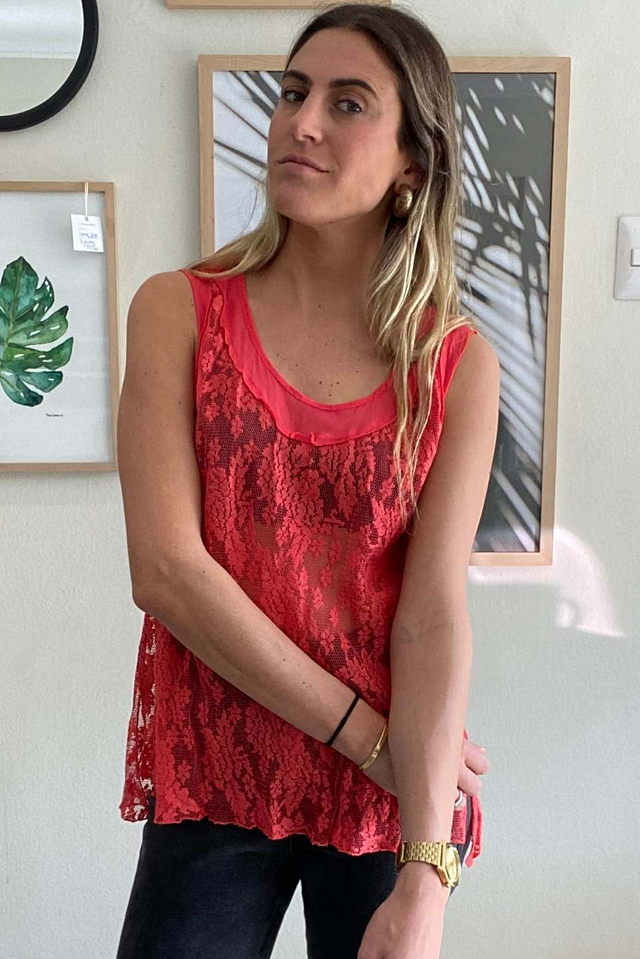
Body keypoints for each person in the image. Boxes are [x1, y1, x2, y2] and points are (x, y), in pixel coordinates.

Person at [114, 3, 500, 958]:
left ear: (412, 165)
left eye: (348, 102)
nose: (302, 121)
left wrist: (427, 876)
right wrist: (371, 738)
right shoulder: (178, 313)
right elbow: (168, 572)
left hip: (384, 795)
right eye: (293, 93)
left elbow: (429, 614)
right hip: (223, 770)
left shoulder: (453, 365)